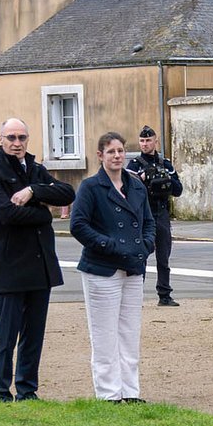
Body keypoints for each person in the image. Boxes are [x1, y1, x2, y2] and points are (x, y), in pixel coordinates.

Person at [0, 118, 75, 402]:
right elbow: (7, 215)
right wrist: (44, 214)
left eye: (22, 137)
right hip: (10, 264)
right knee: (6, 335)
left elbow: (67, 193)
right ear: (0, 139)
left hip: (39, 265)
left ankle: (27, 389)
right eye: (11, 138)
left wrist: (34, 191)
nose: (17, 143)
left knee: (33, 334)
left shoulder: (35, 169)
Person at [71, 132, 155, 402]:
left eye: (120, 151)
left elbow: (148, 221)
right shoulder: (91, 187)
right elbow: (78, 225)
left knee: (130, 333)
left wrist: (146, 245)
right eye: (111, 152)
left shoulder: (136, 186)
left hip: (132, 267)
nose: (117, 156)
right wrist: (108, 245)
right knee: (104, 334)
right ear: (100, 156)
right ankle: (109, 393)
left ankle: (130, 392)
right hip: (102, 268)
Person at [126, 125, 182, 307]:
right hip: (142, 214)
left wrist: (165, 178)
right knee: (140, 254)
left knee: (163, 256)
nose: (145, 144)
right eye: (142, 140)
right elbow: (126, 191)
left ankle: (164, 295)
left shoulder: (165, 163)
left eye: (148, 140)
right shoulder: (134, 165)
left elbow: (178, 190)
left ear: (155, 141)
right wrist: (142, 179)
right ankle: (135, 296)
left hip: (161, 213)